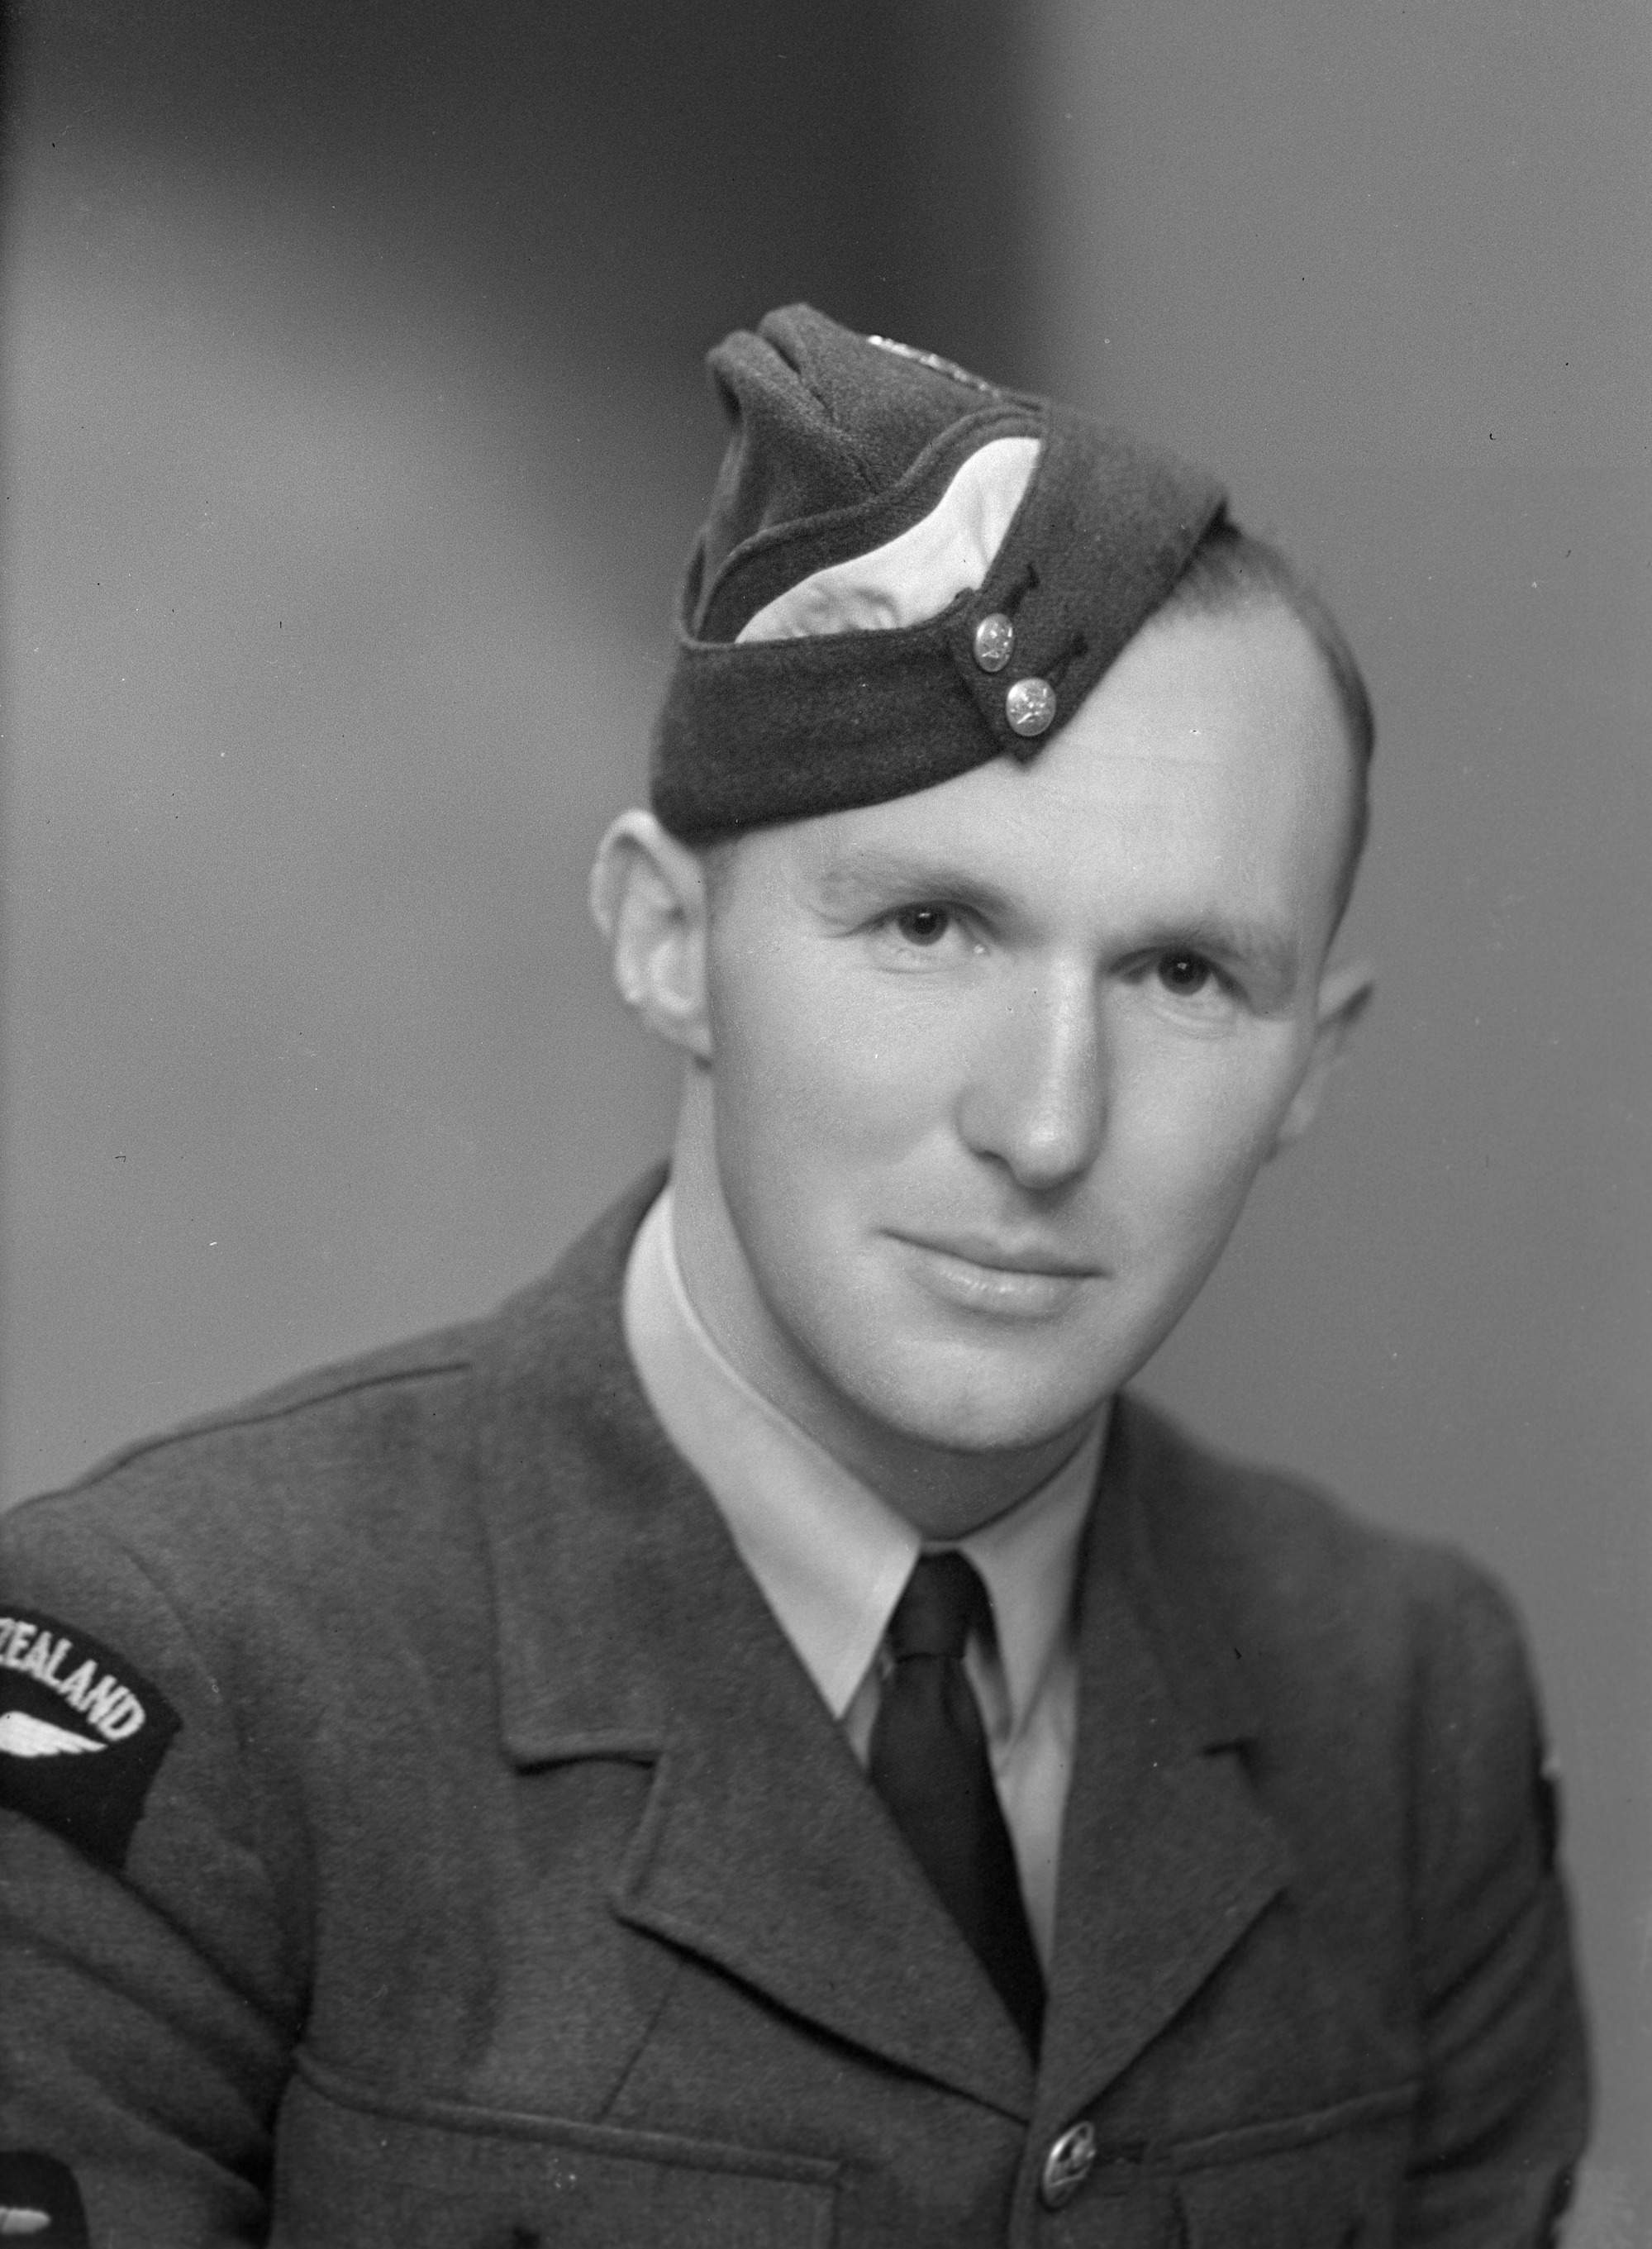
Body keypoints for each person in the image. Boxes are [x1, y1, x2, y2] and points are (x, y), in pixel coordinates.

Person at [0, 305, 1587, 2247]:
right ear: (666, 940)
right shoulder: (198, 1672)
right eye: (929, 923)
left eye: (1183, 974)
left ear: (1307, 1066)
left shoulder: (1402, 1699)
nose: (1045, 1119)